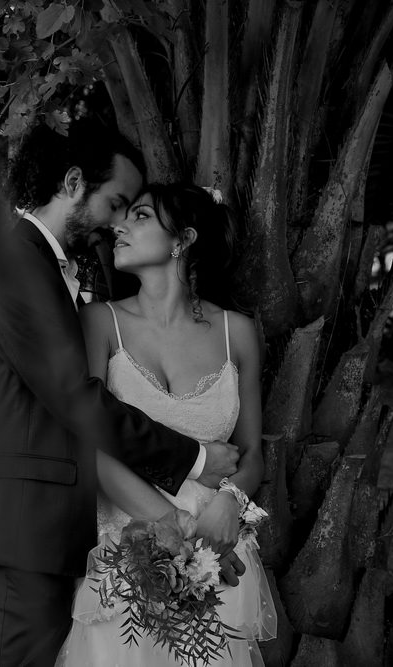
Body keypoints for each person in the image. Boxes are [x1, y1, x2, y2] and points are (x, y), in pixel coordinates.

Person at [0, 121, 243, 667]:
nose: (119, 223)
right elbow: (75, 398)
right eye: (116, 203)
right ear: (73, 182)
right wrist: (194, 458)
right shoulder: (15, 265)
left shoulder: (47, 264)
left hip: (54, 518)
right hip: (26, 521)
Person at [56, 183, 277, 666]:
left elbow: (252, 453)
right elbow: (91, 441)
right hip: (125, 547)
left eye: (139, 217)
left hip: (215, 551)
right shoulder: (99, 322)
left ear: (183, 238)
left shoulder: (236, 331)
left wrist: (230, 503)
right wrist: (167, 524)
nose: (119, 226)